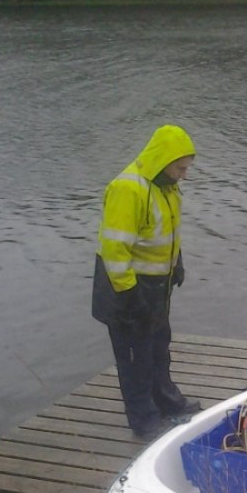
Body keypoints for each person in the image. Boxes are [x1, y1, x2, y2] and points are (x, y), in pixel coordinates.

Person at [91, 124, 201, 440]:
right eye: (181, 167)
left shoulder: (167, 186)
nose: (184, 174)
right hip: (126, 287)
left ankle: (167, 402)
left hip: (156, 287)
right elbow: (114, 248)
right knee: (134, 358)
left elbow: (165, 232)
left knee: (157, 348)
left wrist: (176, 262)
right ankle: (144, 420)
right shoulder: (129, 189)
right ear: (163, 160)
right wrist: (128, 292)